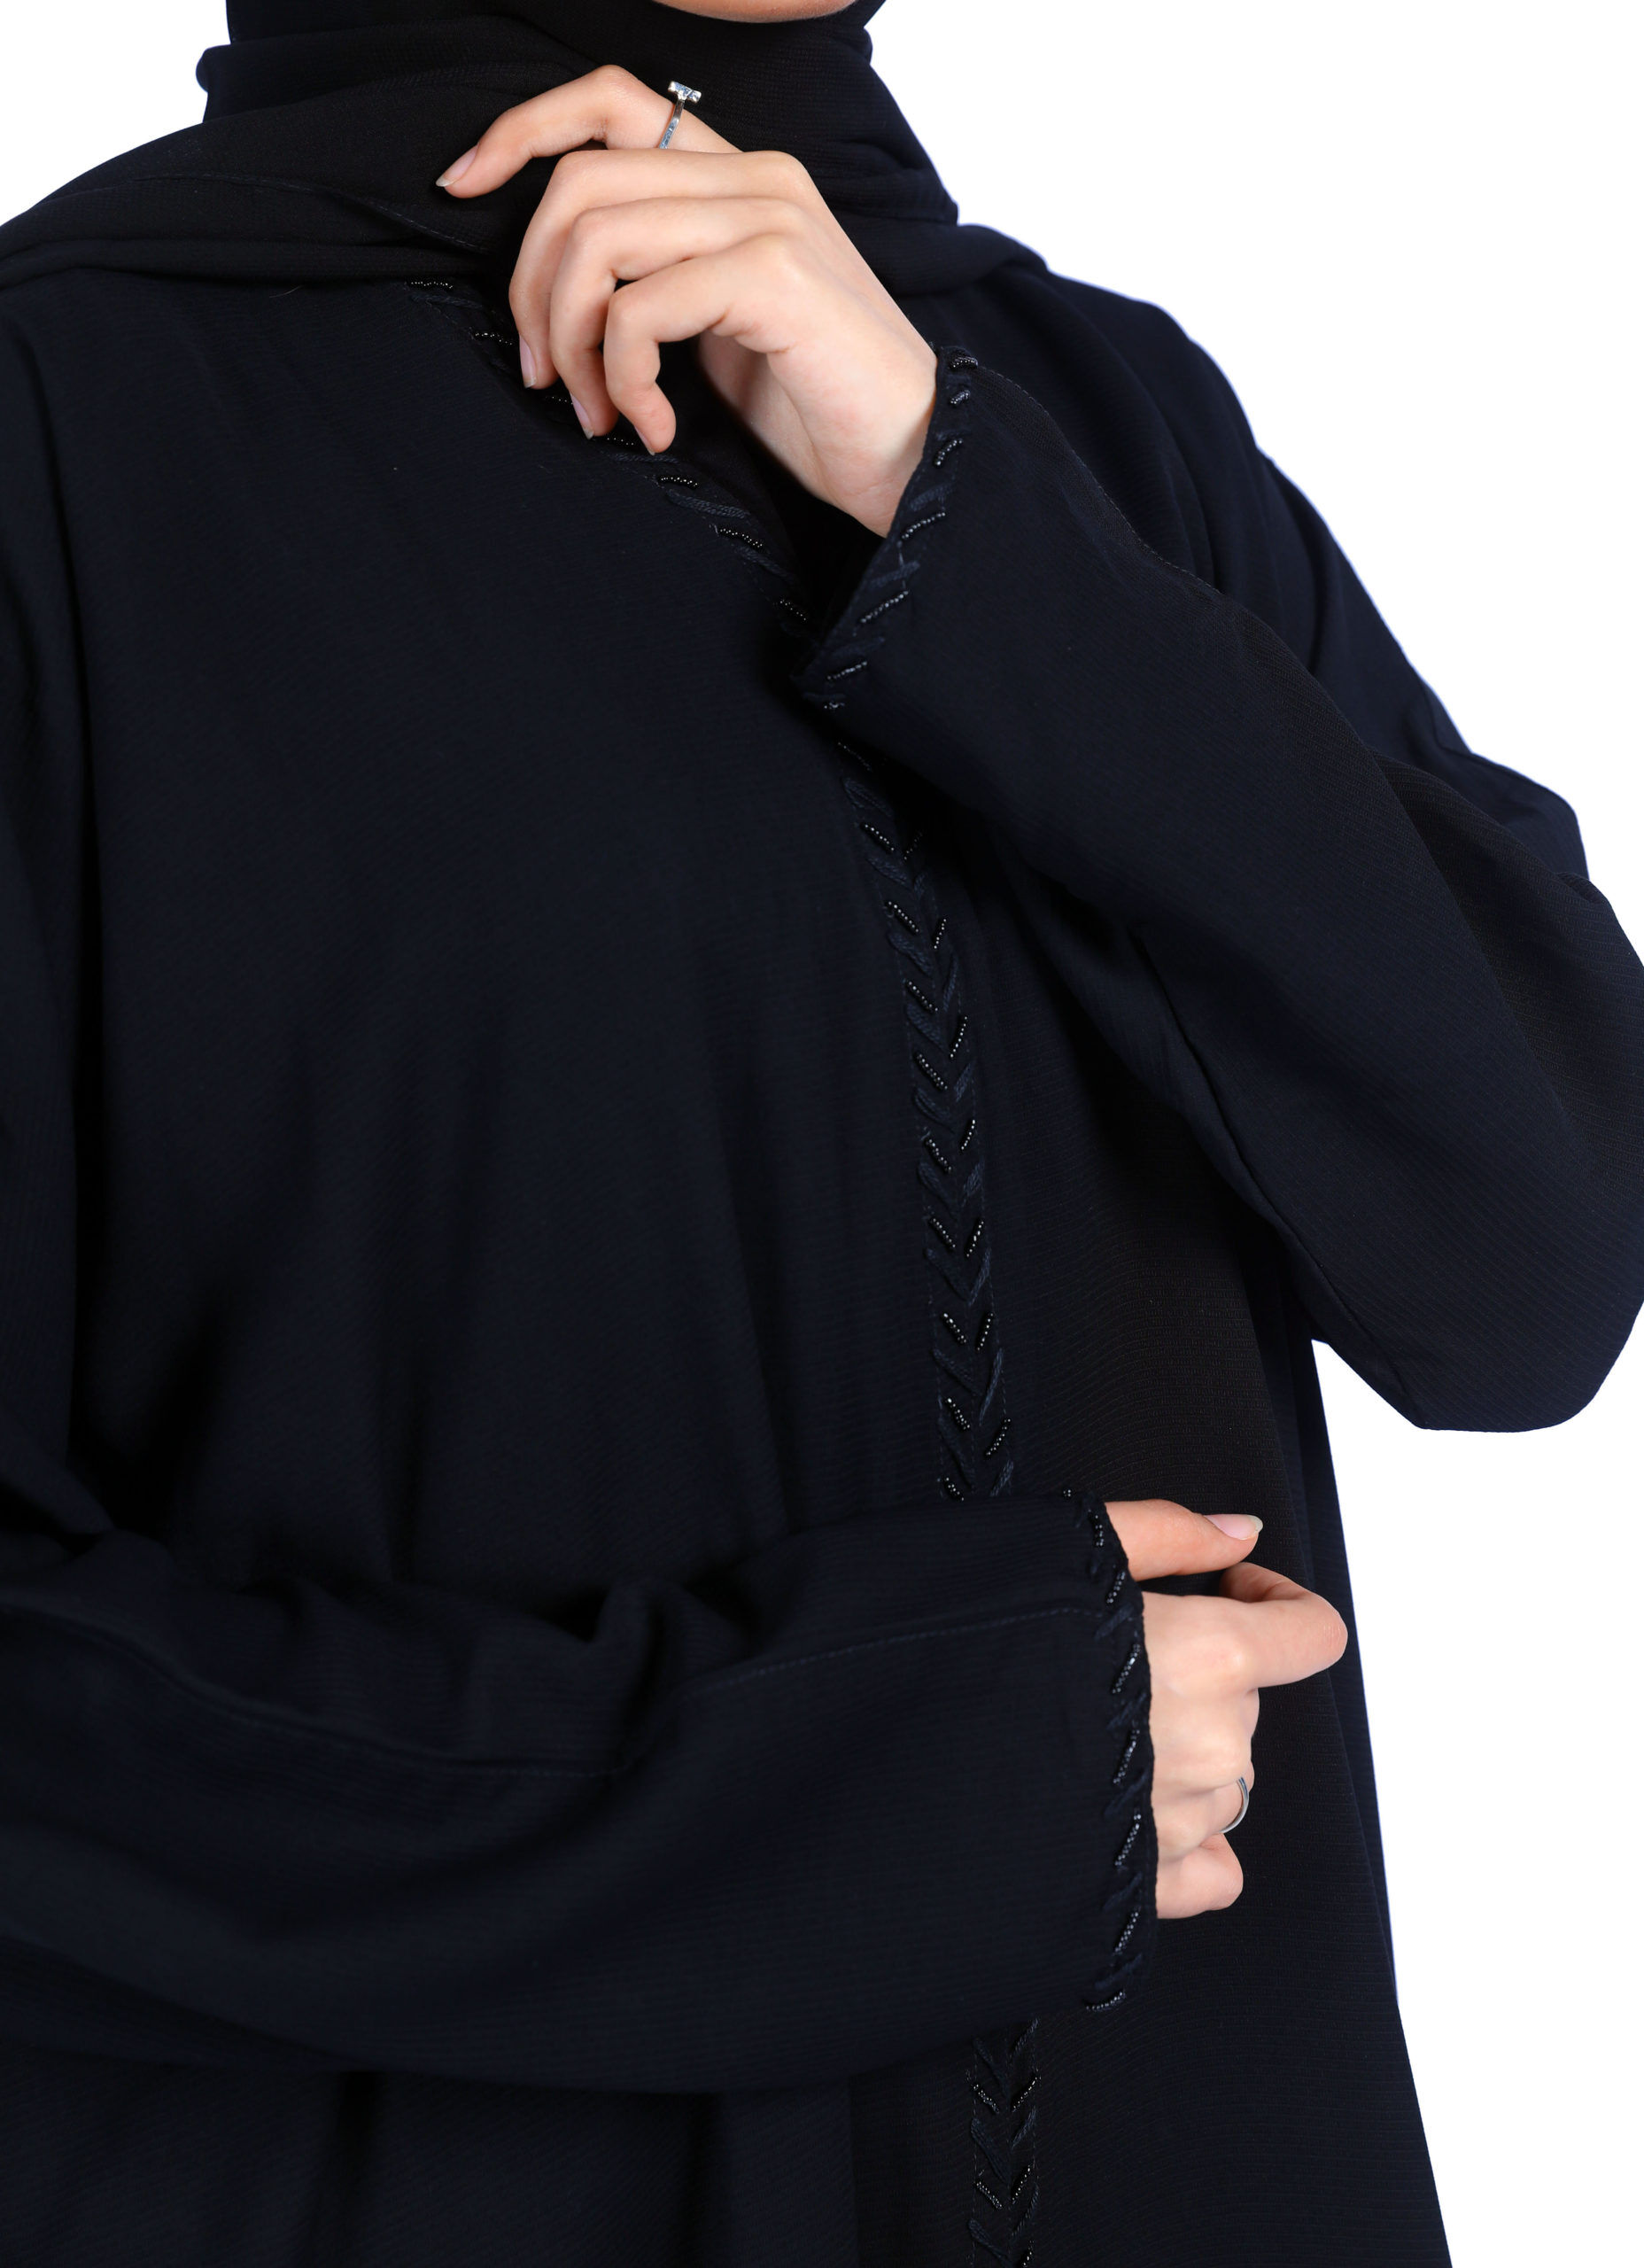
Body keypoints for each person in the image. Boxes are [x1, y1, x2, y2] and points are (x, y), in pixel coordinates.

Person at [0, 1, 1639, 2261]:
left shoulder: (1094, 423)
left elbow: (1534, 1256)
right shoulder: (68, 430)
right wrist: (861, 1787)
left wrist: (957, 508)